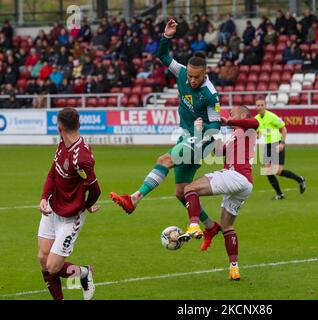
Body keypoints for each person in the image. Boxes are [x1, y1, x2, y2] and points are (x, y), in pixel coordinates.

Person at [110, 19, 220, 243]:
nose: (192, 80)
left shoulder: (211, 94)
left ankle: (134, 199)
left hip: (202, 140)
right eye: (190, 76)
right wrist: (166, 36)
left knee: (164, 159)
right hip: (187, 136)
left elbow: (216, 126)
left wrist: (204, 126)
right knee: (181, 192)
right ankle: (210, 226)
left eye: (196, 77)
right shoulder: (181, 73)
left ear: (205, 74)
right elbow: (164, 55)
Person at [179, 106, 259, 280]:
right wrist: (206, 132)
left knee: (189, 188)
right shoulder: (234, 134)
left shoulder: (249, 128)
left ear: (242, 115)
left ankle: (193, 224)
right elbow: (218, 150)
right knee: (227, 226)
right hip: (244, 184)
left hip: (236, 176)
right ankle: (234, 268)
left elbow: (254, 121)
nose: (228, 115)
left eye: (232, 113)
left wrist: (228, 121)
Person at [38, 107, 101, 300]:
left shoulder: (81, 158)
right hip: (52, 209)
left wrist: (85, 205)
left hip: (70, 218)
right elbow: (52, 173)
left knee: (53, 266)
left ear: (59, 128)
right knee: (43, 258)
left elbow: (95, 189)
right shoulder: (61, 145)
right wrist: (43, 196)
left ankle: (84, 273)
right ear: (79, 124)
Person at [255, 96, 306, 200]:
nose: (260, 107)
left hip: (277, 144)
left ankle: (300, 179)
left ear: (266, 106)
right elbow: (257, 132)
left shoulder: (272, 117)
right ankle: (280, 194)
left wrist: (282, 143)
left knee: (278, 171)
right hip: (267, 145)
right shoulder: (256, 119)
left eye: (262, 105)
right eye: (258, 105)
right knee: (267, 170)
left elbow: (284, 129)